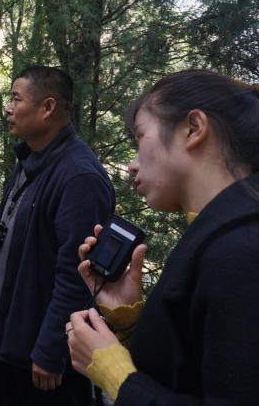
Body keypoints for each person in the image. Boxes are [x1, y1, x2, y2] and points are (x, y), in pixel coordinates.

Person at [67, 70, 259, 404]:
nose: (132, 165)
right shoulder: (222, 231)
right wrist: (129, 323)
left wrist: (116, 377)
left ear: (193, 128)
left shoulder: (242, 249)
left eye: (141, 136)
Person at [0, 66, 115, 406]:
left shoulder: (79, 178)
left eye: (16, 99)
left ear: (48, 107)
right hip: (13, 343)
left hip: (44, 363)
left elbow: (76, 275)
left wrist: (51, 349)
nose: (8, 108)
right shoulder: (31, 159)